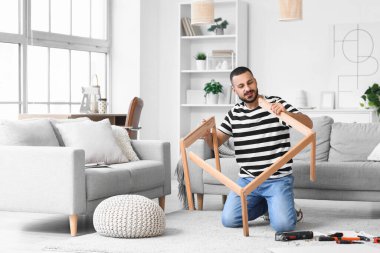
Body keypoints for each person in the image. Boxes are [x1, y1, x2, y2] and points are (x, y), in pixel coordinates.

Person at [202, 66, 313, 232]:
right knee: (229, 220)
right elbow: (216, 143)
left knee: (283, 226)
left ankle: (287, 208)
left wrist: (287, 114)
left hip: (278, 179)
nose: (247, 89)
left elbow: (308, 124)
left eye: (250, 82)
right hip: (248, 181)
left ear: (255, 81)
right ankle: (269, 205)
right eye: (241, 86)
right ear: (234, 90)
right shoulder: (234, 114)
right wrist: (207, 136)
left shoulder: (275, 104)